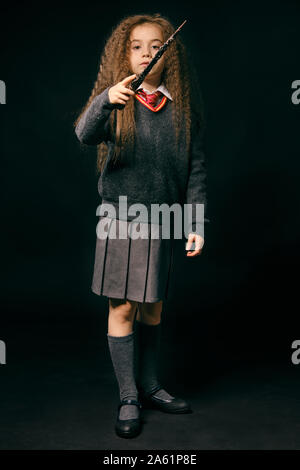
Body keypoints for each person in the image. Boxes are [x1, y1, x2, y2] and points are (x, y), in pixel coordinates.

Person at [74, 13, 209, 439]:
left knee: (153, 306)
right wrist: (103, 101)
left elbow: (197, 168)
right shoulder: (117, 100)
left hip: (166, 220)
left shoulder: (181, 105)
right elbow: (84, 134)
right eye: (136, 45)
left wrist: (196, 220)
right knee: (123, 307)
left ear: (170, 52)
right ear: (124, 53)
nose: (147, 52)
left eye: (156, 45)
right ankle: (129, 395)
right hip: (122, 218)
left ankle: (151, 386)